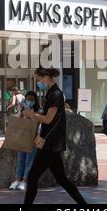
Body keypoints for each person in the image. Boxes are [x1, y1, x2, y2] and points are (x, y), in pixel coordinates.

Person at [22, 67, 86, 204]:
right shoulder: (51, 93)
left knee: (33, 177)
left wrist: (30, 114)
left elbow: (48, 119)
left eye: (38, 80)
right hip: (51, 144)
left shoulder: (56, 95)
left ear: (45, 78)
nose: (38, 83)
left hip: (50, 144)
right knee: (61, 178)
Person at [9, 91, 40, 191]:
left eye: (32, 99)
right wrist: (22, 112)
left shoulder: (38, 110)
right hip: (22, 138)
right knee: (20, 160)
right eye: (28, 99)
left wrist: (30, 114)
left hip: (33, 139)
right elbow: (17, 120)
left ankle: (25, 181)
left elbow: (38, 123)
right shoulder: (22, 110)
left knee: (29, 161)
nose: (29, 101)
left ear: (35, 101)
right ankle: (18, 179)